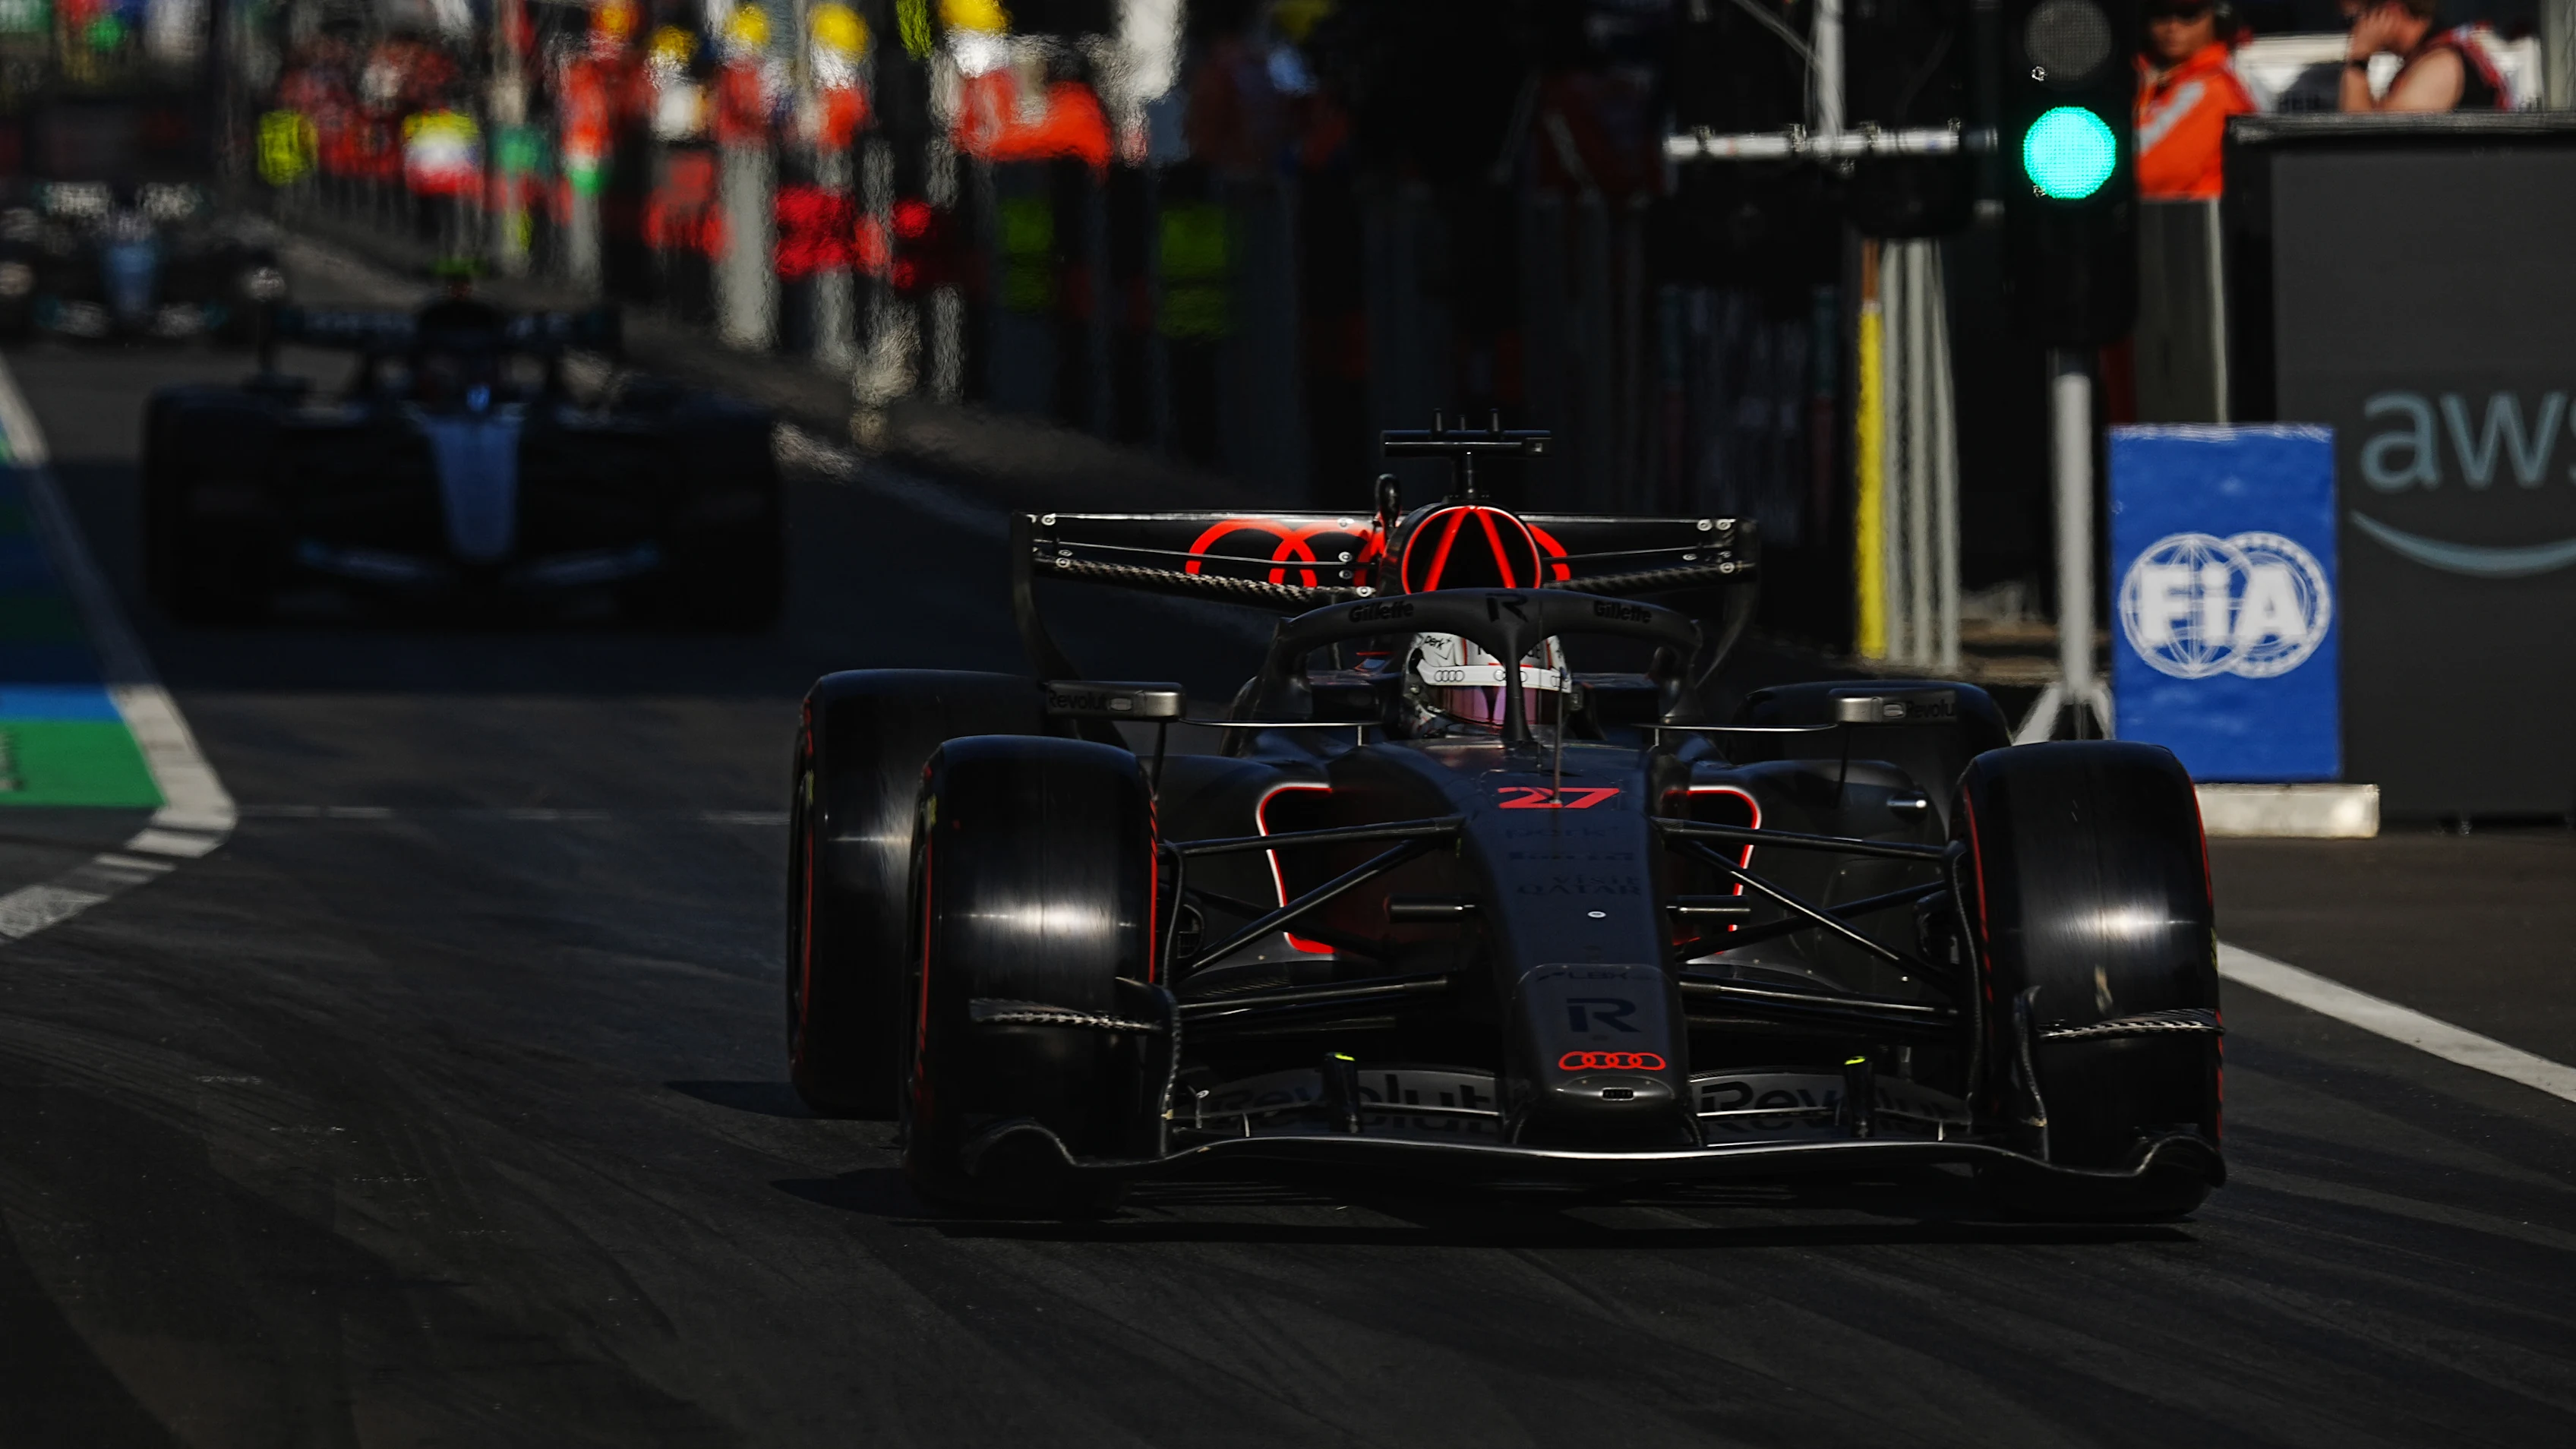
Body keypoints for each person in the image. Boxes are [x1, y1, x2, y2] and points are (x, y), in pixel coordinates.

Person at [2135, 0, 2256, 200]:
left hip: (2194, 224)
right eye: (2160, 15)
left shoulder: (2210, 89)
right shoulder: (2152, 79)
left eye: (2188, 15)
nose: (2173, 27)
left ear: (2219, 20)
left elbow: (2148, 172)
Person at [2339, 0, 2510, 112]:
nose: (2353, 32)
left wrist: (2358, 61)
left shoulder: (2441, 64)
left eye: (2353, 19)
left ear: (2390, 9)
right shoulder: (2426, 57)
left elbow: (2370, 146)